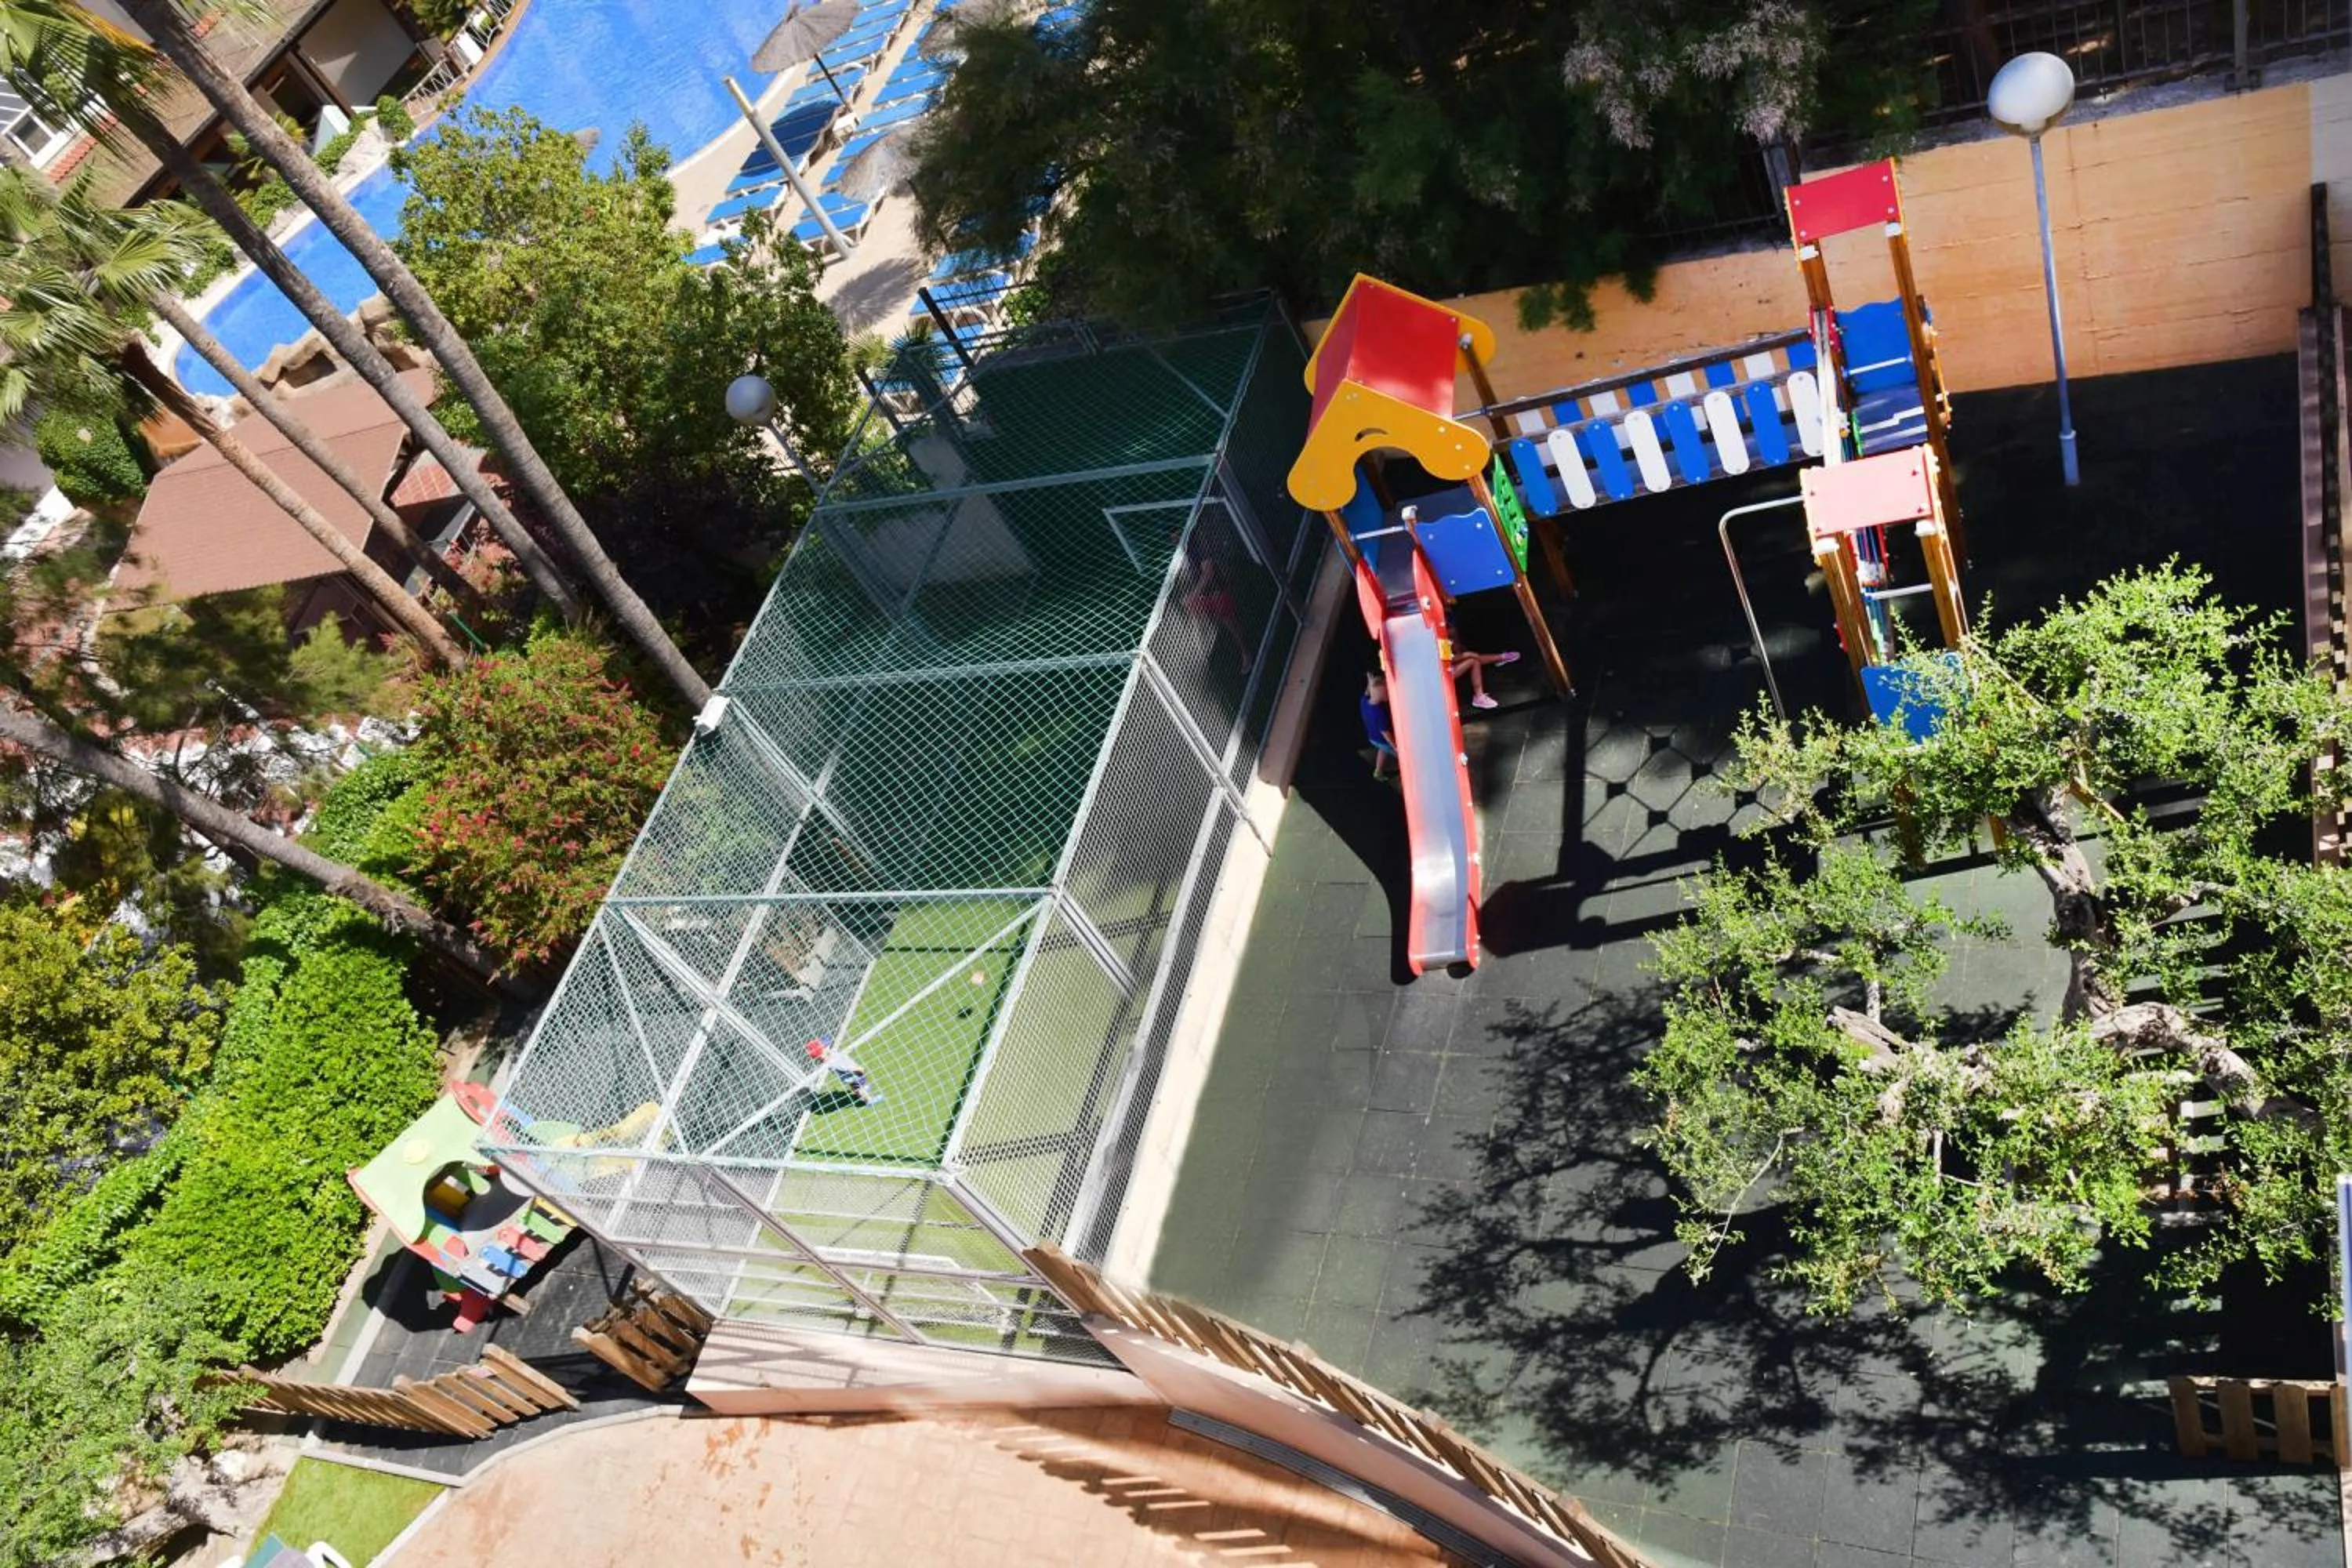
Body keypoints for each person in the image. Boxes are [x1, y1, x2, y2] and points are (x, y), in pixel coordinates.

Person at [805, 1037, 882, 1106]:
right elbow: (847, 1068)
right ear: (822, 1054)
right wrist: (858, 1069)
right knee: (859, 1087)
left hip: (848, 1077)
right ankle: (868, 1100)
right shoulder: (833, 1062)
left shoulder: (828, 1058)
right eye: (825, 1046)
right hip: (852, 1075)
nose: (828, 1045)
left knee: (855, 1086)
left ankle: (862, 1090)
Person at [1450, 647, 1520, 710]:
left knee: (1473, 659)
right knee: (1473, 661)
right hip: (1444, 675)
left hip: (1448, 665)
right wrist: (1467, 654)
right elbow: (1449, 659)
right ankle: (1479, 697)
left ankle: (1500, 658)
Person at [1359, 662, 1396, 779]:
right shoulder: (1379, 714)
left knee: (1382, 750)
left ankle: (1378, 772)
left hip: (1373, 738)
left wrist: (1369, 680)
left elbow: (1368, 690)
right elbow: (1386, 734)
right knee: (1401, 756)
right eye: (1387, 692)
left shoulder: (1364, 701)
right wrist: (1396, 748)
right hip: (1383, 740)